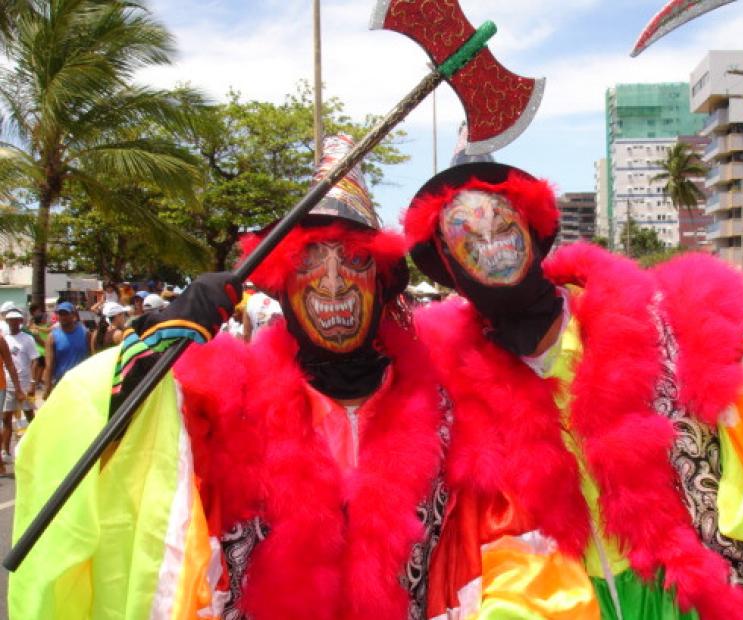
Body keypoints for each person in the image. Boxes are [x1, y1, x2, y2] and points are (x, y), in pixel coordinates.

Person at [404, 162, 743, 620]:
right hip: (554, 602)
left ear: (534, 230)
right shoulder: (448, 380)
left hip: (685, 595)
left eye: (501, 223)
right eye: (465, 237)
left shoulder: (666, 318)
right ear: (448, 266)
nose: (490, 244)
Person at [10, 135, 451, 619]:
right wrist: (157, 339)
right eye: (309, 259)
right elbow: (106, 427)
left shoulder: (439, 409)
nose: (332, 280)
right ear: (281, 283)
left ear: (382, 283)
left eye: (354, 258)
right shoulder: (229, 403)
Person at [2, 309, 38, 466]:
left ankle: (36, 444)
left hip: (23, 383)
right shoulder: (5, 339)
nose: (13, 323)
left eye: (16, 320)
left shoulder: (27, 339)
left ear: (20, 321)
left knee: (29, 415)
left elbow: (35, 360)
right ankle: (5, 451)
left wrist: (32, 382)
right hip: (7, 384)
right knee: (6, 418)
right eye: (10, 320)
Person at [41, 301, 88, 398]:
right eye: (60, 314)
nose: (63, 317)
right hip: (61, 383)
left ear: (73, 315)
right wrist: (47, 387)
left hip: (82, 382)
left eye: (66, 314)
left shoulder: (85, 333)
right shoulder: (53, 336)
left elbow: (92, 357)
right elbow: (49, 364)